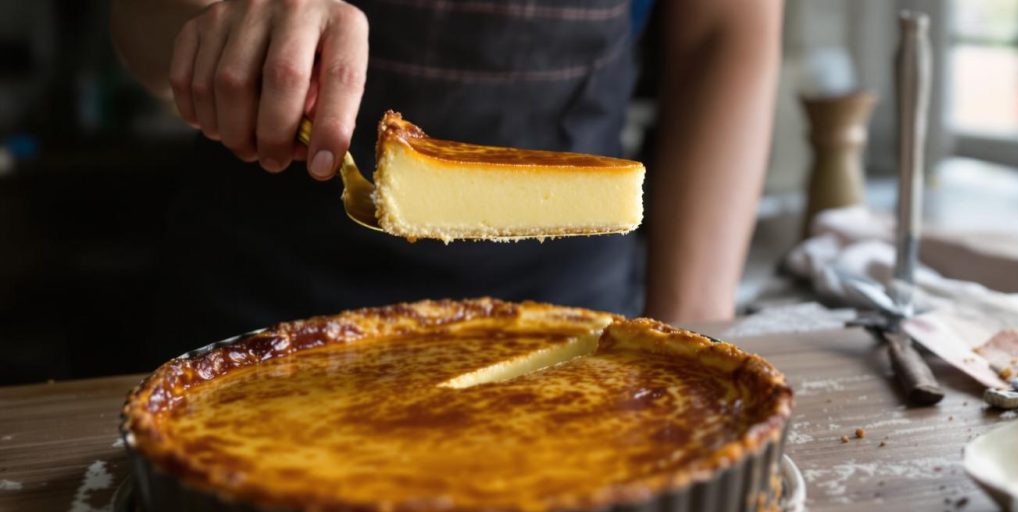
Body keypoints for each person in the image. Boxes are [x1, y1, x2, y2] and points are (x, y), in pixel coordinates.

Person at [110, 0, 781, 357]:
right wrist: (210, 27)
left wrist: (693, 335)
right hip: (261, 304)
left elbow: (722, 35)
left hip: (574, 316)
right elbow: (140, 19)